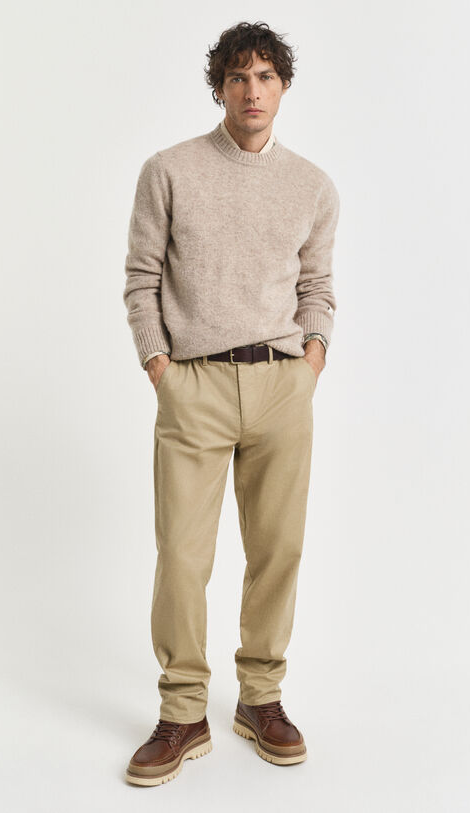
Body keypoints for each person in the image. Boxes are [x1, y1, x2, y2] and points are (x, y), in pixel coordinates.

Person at [122, 20, 340, 786]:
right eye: (239, 77)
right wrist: (161, 366)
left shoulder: (313, 186)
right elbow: (141, 278)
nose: (253, 91)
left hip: (283, 384)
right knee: (182, 555)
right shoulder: (169, 171)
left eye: (266, 77)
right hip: (195, 386)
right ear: (219, 87)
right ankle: (183, 710)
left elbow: (318, 285)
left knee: (278, 550)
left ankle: (261, 697)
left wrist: (312, 358)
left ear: (283, 87)